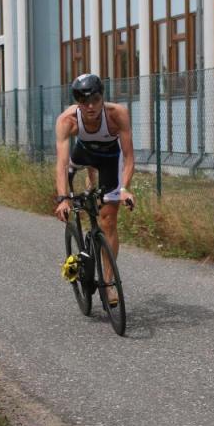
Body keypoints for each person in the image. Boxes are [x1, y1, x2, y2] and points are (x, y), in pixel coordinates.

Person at [54, 73, 135, 306]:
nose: (90, 106)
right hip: (83, 155)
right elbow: (61, 164)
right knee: (71, 194)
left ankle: (108, 283)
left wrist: (124, 189)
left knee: (108, 219)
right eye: (83, 101)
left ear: (102, 97)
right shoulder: (67, 120)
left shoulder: (117, 114)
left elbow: (129, 158)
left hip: (110, 158)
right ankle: (79, 239)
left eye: (95, 100)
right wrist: (63, 198)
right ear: (77, 101)